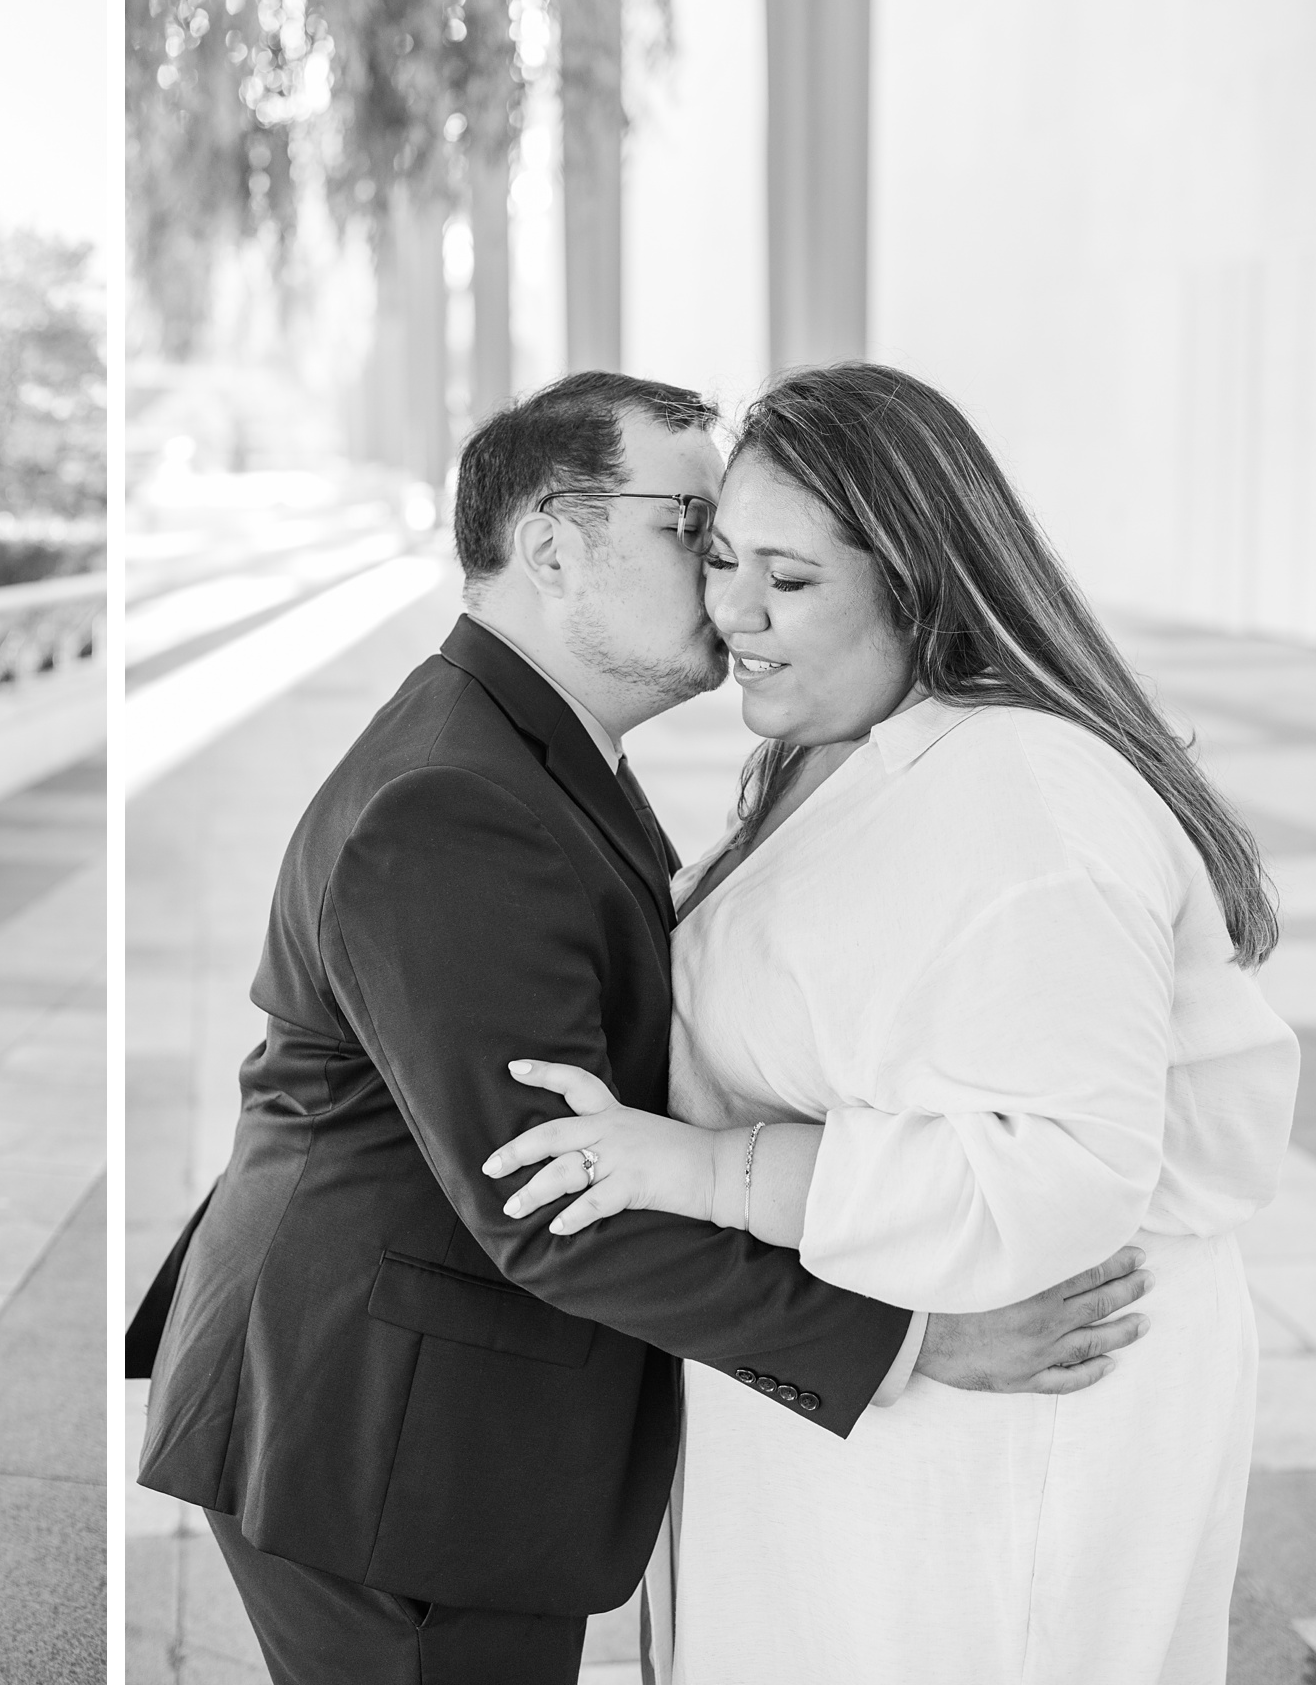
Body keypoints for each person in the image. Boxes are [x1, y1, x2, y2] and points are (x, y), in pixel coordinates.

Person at [129, 372, 1154, 1685]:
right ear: (554, 543)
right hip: (383, 1452)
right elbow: (547, 1200)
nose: (726, 591)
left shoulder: (529, 744)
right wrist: (911, 1341)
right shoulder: (452, 802)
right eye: (692, 531)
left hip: (407, 1399)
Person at [483, 362, 1300, 1683]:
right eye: (724, 558)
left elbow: (1066, 1171)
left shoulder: (1028, 798)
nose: (731, 611)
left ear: (918, 585)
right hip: (878, 1437)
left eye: (790, 581)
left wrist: (704, 1173)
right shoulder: (847, 744)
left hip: (1010, 1441)